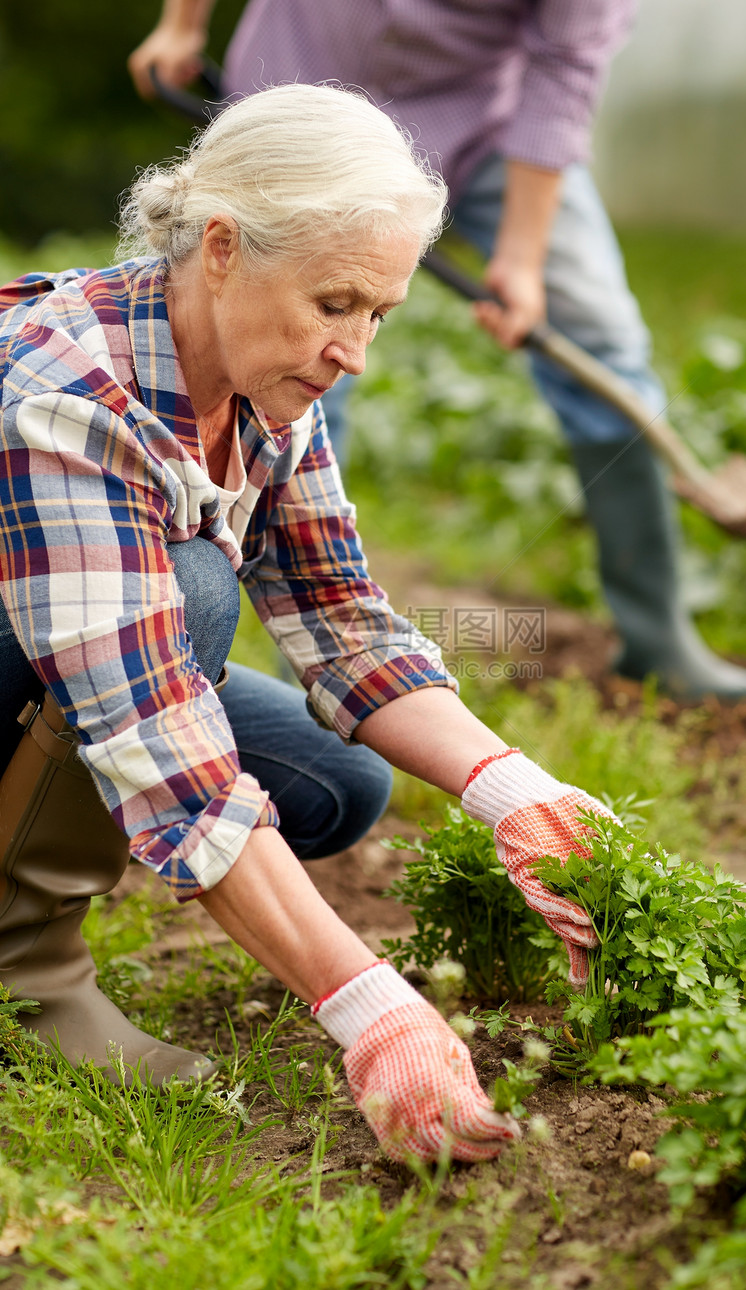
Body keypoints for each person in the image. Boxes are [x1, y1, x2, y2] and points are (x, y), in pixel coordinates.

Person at [1, 82, 621, 1165]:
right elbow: (158, 739)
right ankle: (23, 971)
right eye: (334, 304)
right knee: (193, 590)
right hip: (51, 649)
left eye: (377, 313)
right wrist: (369, 1008)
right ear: (223, 248)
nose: (356, 351)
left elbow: (343, 620)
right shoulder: (67, 392)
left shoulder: (264, 378)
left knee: (336, 789)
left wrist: (517, 794)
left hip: (61, 648)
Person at [128, 0, 746, 705]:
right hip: (303, 103)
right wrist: (184, 23)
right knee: (295, 346)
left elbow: (565, 70)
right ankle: (313, 671)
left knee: (600, 331)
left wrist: (523, 257)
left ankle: (659, 635)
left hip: (481, 123)